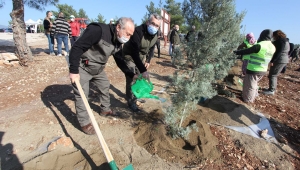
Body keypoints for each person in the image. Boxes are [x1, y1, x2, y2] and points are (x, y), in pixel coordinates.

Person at [69, 17, 136, 135]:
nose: (128, 37)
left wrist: (130, 74)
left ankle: (105, 110)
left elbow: (119, 60)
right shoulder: (98, 30)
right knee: (82, 95)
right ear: (118, 27)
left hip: (98, 69)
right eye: (127, 34)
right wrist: (74, 71)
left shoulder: (117, 41)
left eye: (130, 35)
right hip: (83, 67)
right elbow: (77, 47)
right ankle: (84, 123)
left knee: (105, 85)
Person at [119, 13, 162, 112]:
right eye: (153, 23)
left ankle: (136, 96)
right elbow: (134, 53)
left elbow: (151, 48)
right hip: (129, 55)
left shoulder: (156, 34)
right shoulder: (138, 31)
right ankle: (131, 102)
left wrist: (148, 60)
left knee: (140, 77)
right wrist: (143, 69)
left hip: (141, 57)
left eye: (157, 25)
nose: (154, 27)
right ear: (147, 22)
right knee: (132, 77)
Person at [233, 29, 276, 103]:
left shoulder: (260, 45)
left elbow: (246, 51)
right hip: (263, 69)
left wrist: (235, 52)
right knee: (254, 83)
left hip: (254, 69)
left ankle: (248, 100)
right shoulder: (272, 46)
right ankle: (253, 95)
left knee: (250, 86)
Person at [263, 30, 289, 95]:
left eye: (273, 36)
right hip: (283, 59)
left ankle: (271, 90)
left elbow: (279, 52)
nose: (273, 37)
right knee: (273, 74)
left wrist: (272, 61)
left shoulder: (281, 41)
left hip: (280, 60)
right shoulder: (285, 41)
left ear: (276, 35)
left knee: (273, 75)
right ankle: (271, 88)